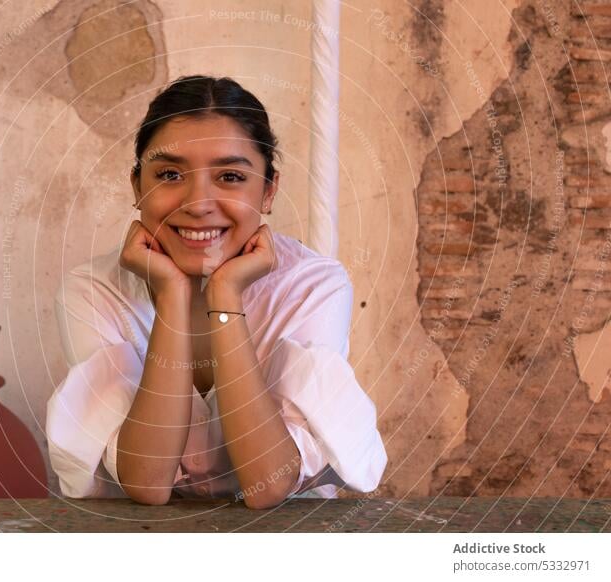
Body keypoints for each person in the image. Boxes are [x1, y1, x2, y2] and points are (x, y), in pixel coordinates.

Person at [46, 75, 387, 509]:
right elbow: (147, 482)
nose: (198, 203)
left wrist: (225, 296)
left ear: (268, 191)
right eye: (170, 174)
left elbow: (268, 484)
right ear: (137, 187)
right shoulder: (91, 292)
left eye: (229, 176)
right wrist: (172, 295)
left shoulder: (313, 286)